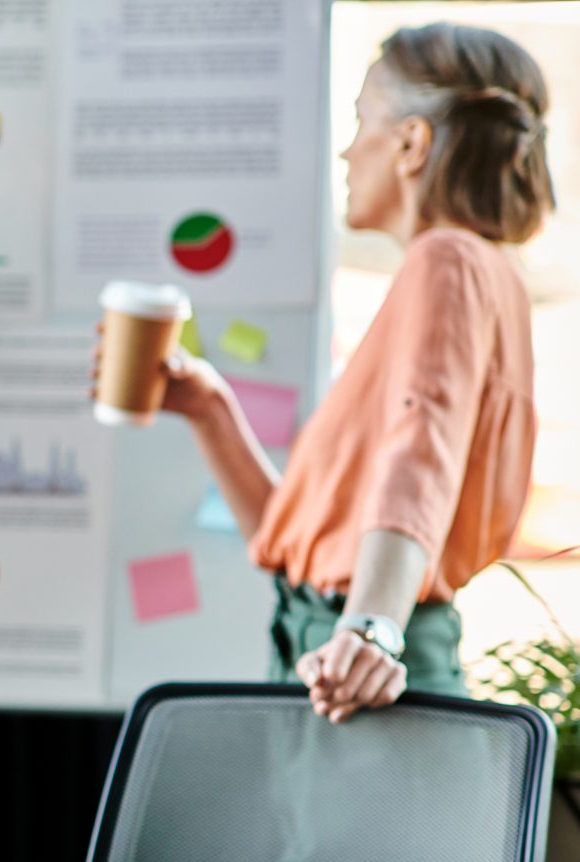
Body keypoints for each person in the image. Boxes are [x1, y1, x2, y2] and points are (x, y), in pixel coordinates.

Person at [125, 23, 550, 722]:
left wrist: (368, 628)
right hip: (345, 644)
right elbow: (290, 546)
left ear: (412, 143)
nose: (349, 150)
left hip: (359, 666)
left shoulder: (444, 261)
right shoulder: (483, 271)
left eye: (361, 120)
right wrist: (210, 410)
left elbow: (423, 454)